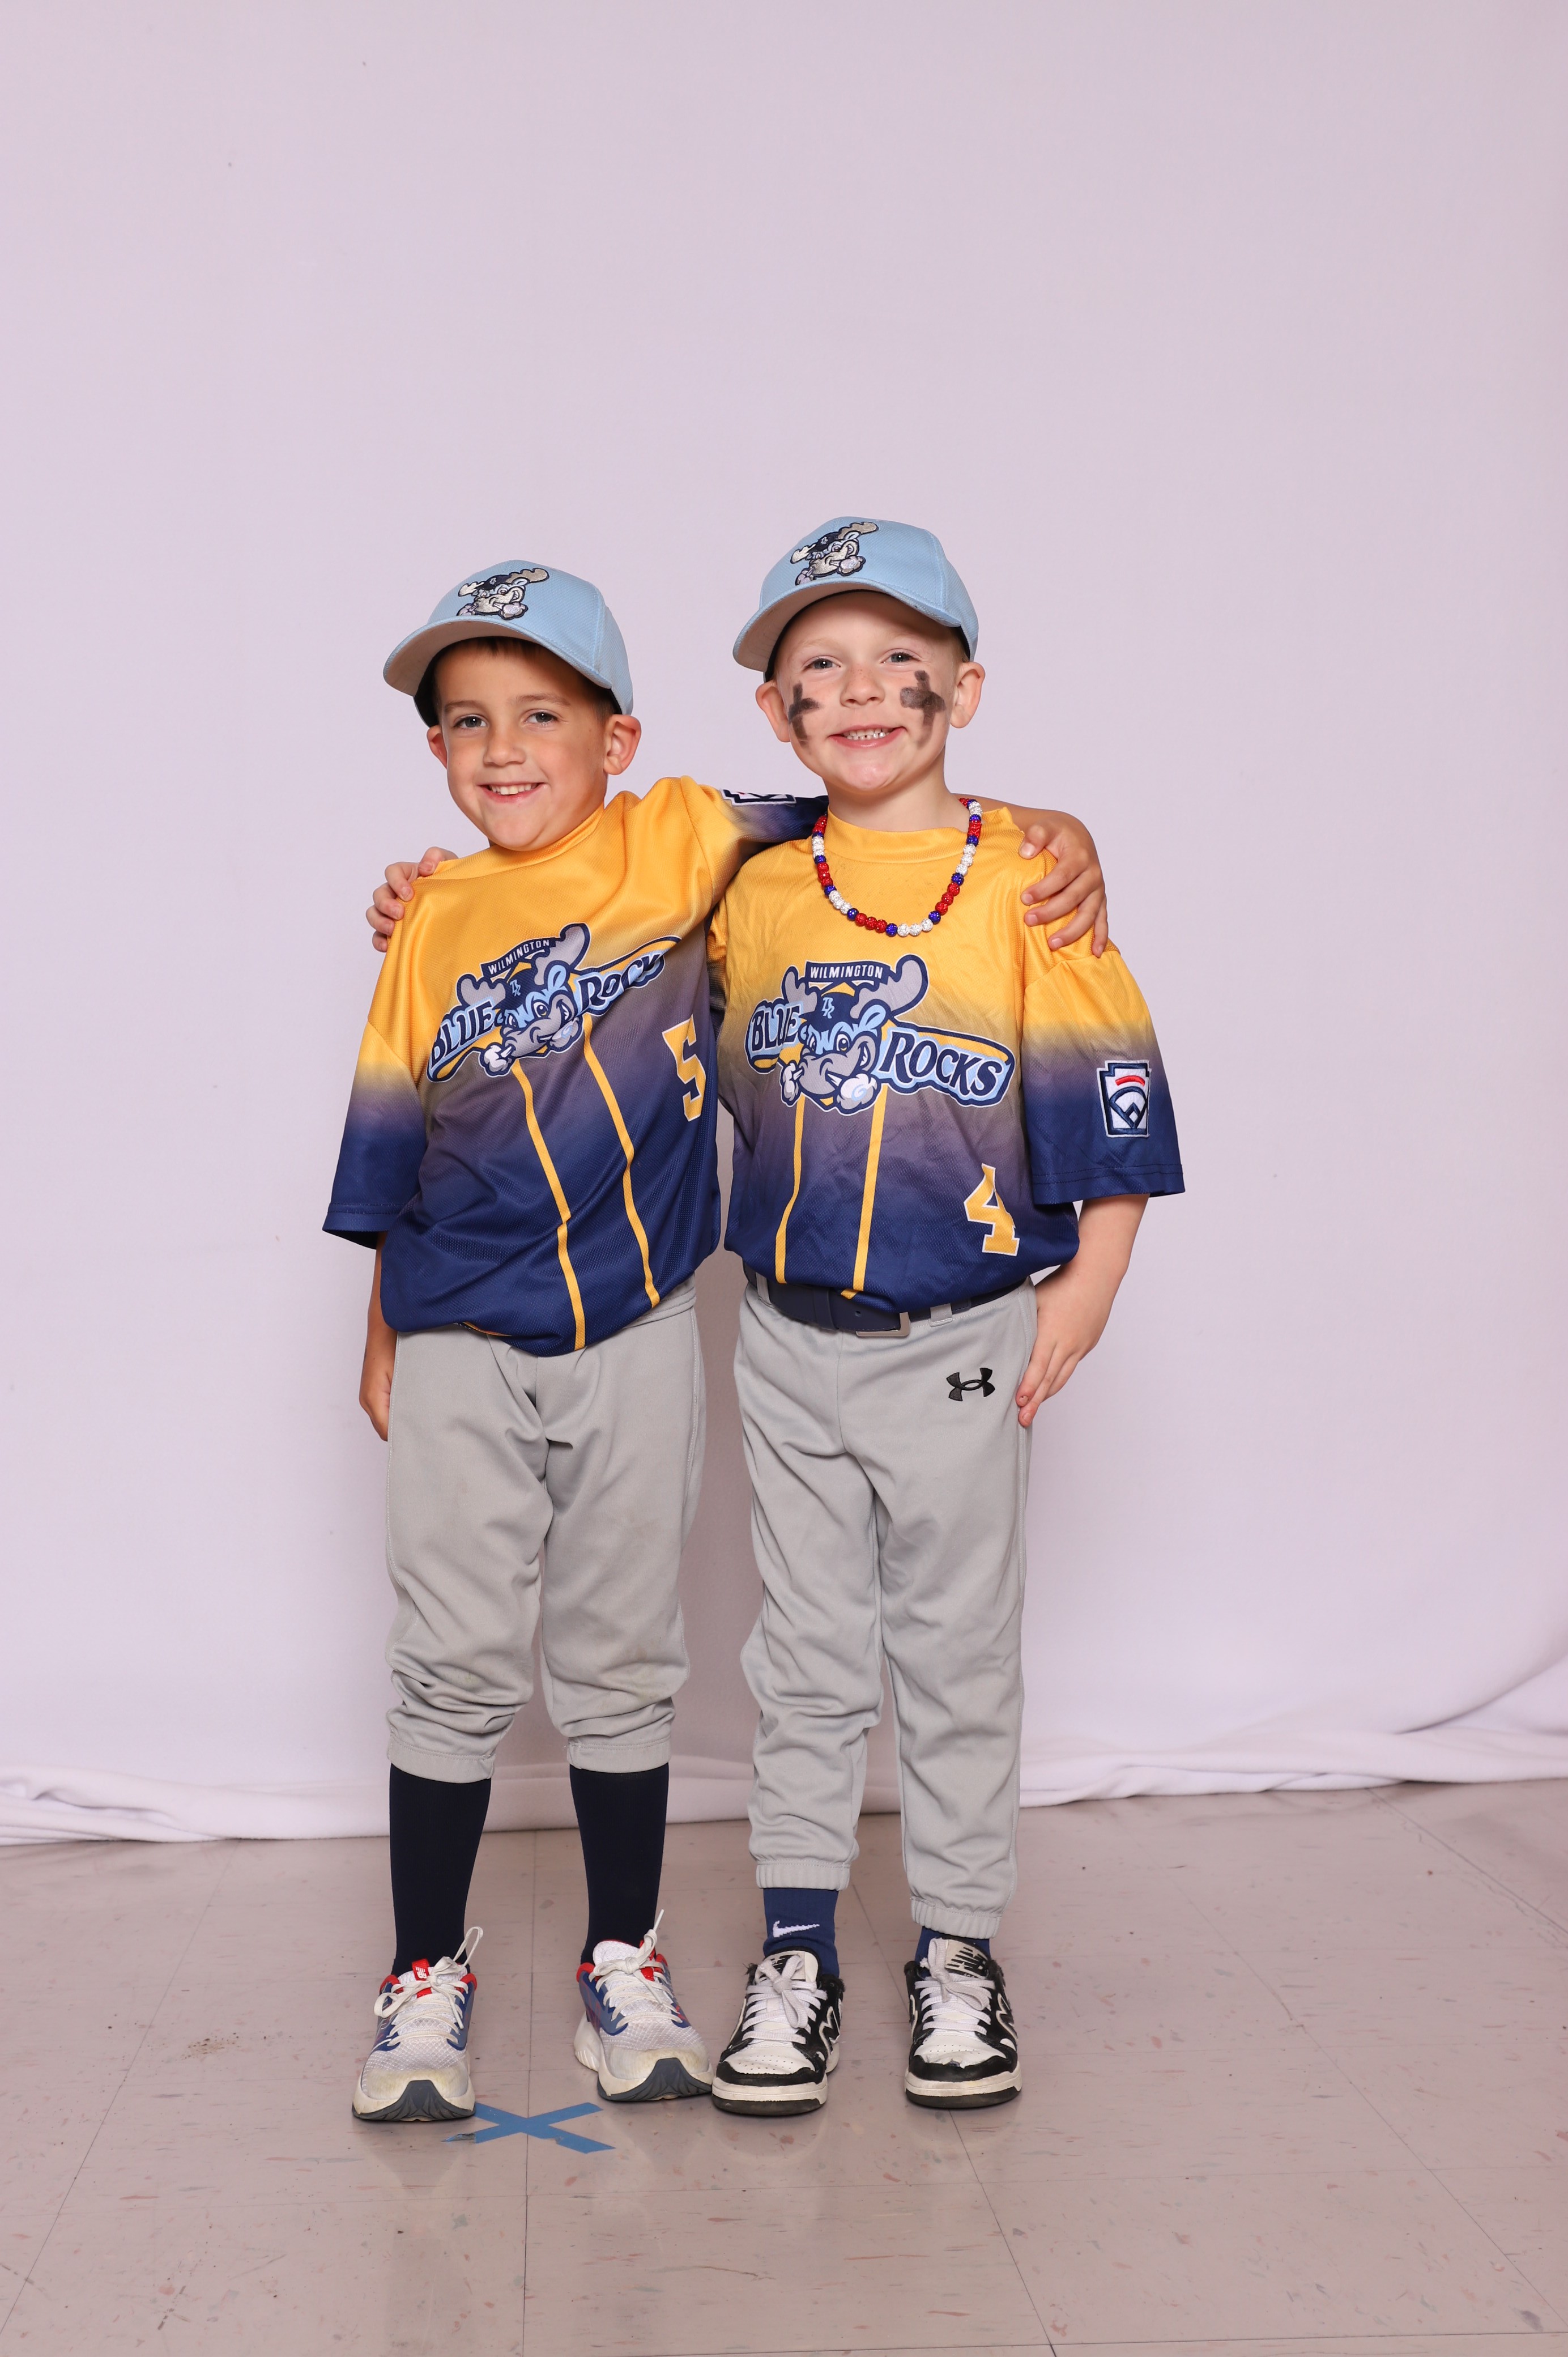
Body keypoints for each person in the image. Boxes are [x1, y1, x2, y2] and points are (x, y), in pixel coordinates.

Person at [334, 555, 1107, 2125]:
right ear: (433, 748)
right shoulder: (436, 914)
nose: (502, 748)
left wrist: (1051, 827)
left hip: (640, 1321)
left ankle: (627, 1954)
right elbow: (394, 1139)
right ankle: (424, 1971)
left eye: (541, 714)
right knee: (456, 1658)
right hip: (463, 1324)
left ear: (618, 739)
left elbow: (877, 793)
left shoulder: (689, 836)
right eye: (468, 721)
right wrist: (380, 1325)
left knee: (627, 1660)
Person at [703, 518, 1183, 2117]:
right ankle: (797, 1953)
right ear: (777, 713)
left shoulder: (1031, 880)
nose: (860, 691)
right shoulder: (755, 887)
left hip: (966, 1334)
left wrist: (1089, 1287)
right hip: (786, 1337)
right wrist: (437, 890)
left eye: (899, 663)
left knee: (958, 1657)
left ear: (964, 691)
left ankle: (959, 1950)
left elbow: (1114, 1095)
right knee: (804, 1660)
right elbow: (591, 871)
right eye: (820, 668)